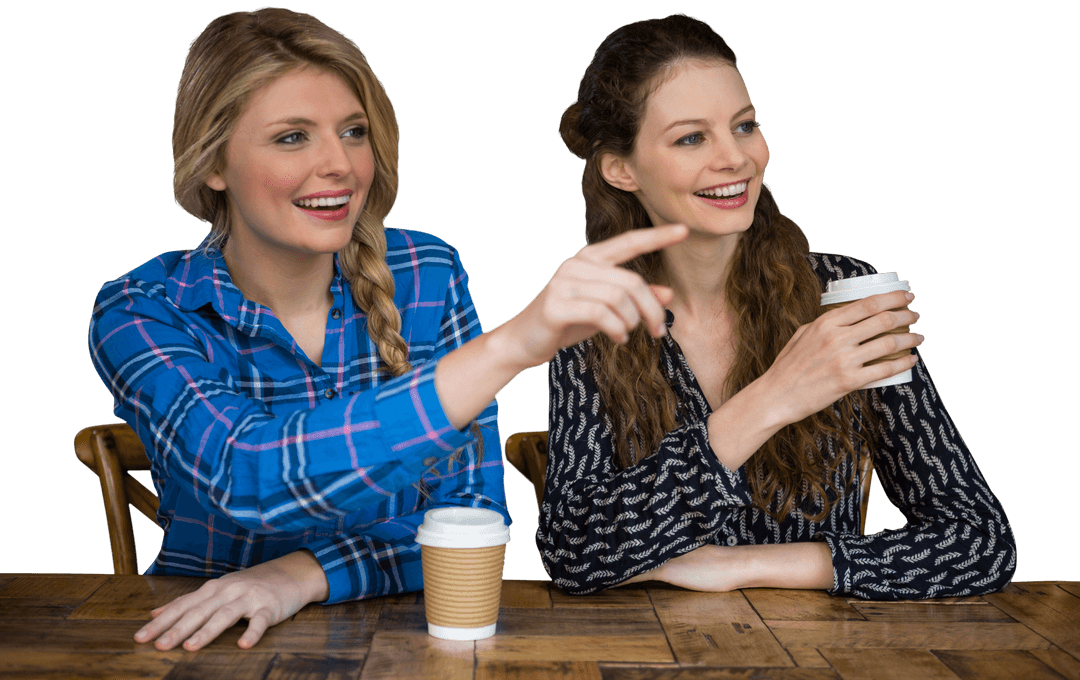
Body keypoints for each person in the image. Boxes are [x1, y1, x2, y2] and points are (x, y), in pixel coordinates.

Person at [89, 8, 688, 651]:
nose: (341, 166)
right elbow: (246, 472)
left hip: (402, 641)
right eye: (292, 137)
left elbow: (471, 521)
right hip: (210, 638)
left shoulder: (425, 273)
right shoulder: (143, 311)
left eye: (353, 131)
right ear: (212, 163)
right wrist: (510, 347)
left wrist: (303, 574)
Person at [540, 13, 1016, 600]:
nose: (735, 158)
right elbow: (572, 550)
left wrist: (745, 566)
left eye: (745, 126)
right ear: (621, 168)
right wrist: (773, 398)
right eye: (692, 137)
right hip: (650, 656)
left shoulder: (845, 295)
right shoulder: (592, 319)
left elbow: (980, 542)